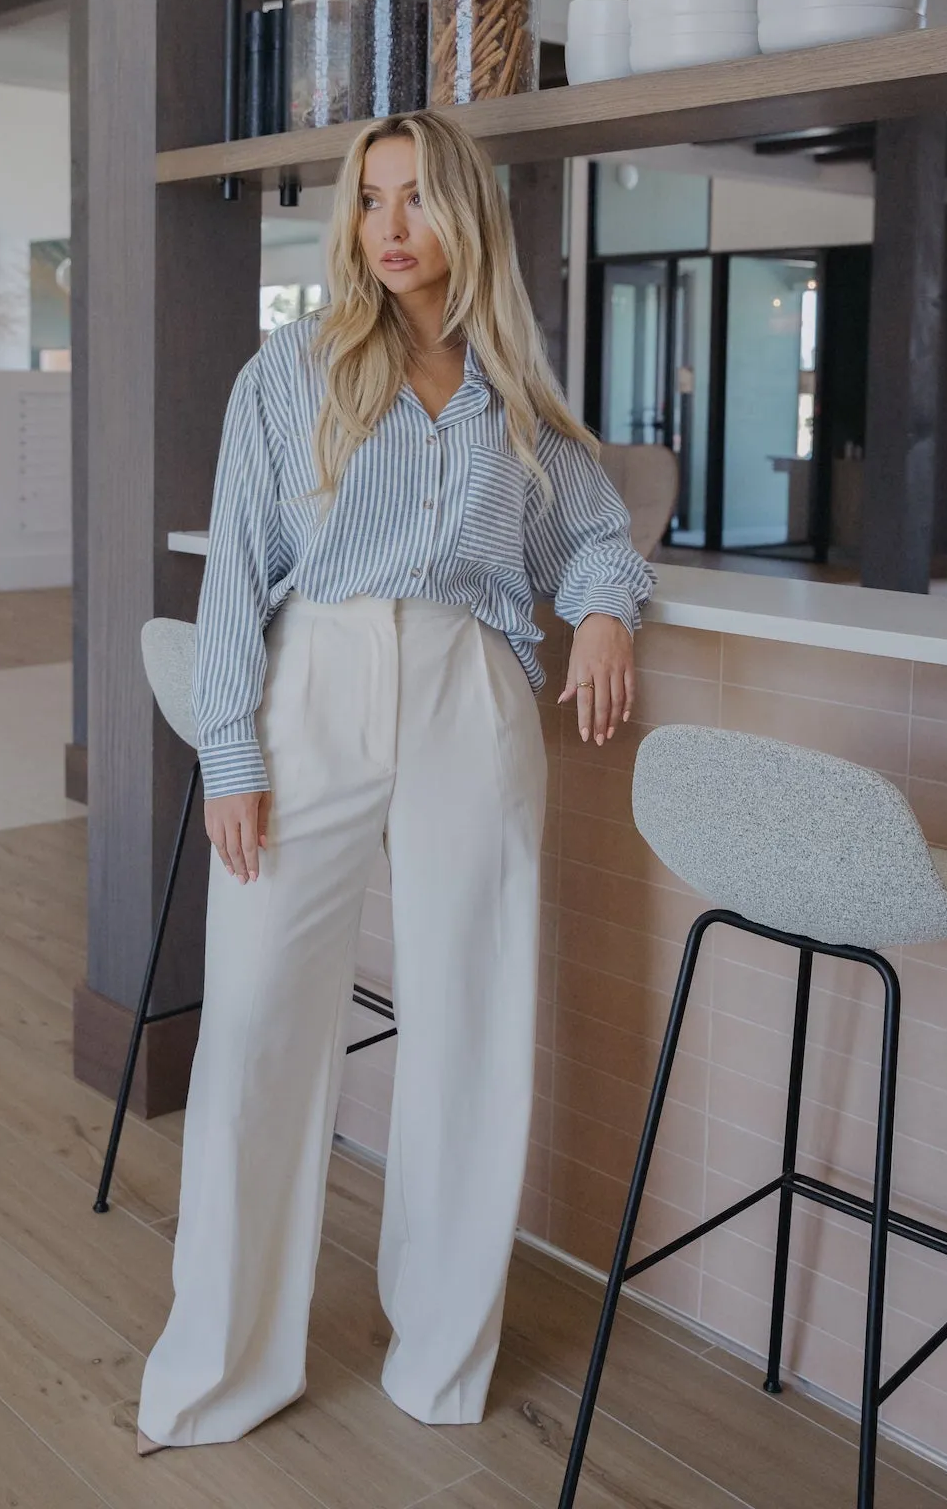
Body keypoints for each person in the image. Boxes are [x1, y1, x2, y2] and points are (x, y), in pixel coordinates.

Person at [137, 110, 653, 1453]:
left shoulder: (511, 397)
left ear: (464, 213)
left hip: (473, 692)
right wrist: (233, 756)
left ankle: (441, 1360)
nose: (391, 227)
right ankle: (225, 1367)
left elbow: (596, 534)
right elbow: (233, 575)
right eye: (371, 201)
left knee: (472, 1022)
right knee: (255, 1024)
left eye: (416, 197)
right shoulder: (290, 375)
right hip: (313, 687)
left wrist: (602, 612)